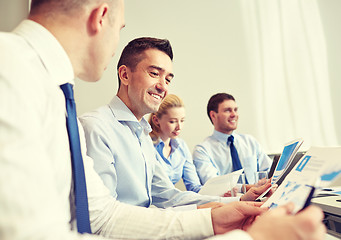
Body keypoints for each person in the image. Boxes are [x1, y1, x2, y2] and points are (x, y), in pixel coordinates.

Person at [0, 0, 326, 239]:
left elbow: (103, 214)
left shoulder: (56, 93)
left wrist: (218, 219)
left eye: (168, 77)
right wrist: (251, 238)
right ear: (102, 16)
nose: (115, 45)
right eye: (120, 29)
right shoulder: (10, 68)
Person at [80, 37, 272, 209]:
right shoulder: (96, 127)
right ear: (125, 75)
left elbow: (170, 196)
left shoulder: (142, 136)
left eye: (168, 79)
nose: (163, 86)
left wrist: (237, 202)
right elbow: (103, 217)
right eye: (155, 73)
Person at [193, 93, 273, 191]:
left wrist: (265, 183)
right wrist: (249, 188)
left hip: (261, 197)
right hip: (228, 203)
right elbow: (214, 185)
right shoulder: (202, 150)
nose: (234, 114)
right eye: (228, 110)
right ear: (213, 115)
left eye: (235, 110)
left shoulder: (250, 142)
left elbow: (268, 171)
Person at [149, 94, 203, 193]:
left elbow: (194, 186)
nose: (179, 127)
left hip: (173, 203)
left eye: (182, 120)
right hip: (151, 206)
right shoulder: (147, 145)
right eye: (173, 121)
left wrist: (219, 193)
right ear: (156, 120)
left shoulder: (181, 146)